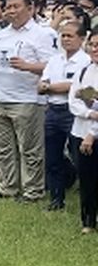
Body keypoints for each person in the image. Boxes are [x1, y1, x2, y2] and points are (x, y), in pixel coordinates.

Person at [0, 0, 57, 201]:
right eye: (8, 7)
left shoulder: (41, 34)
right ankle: (8, 186)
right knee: (5, 147)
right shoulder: (1, 34)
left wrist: (28, 66)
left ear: (31, 8)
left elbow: (52, 66)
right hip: (1, 96)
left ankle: (33, 190)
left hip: (27, 98)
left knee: (30, 148)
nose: (11, 11)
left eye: (16, 6)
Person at [39, 19, 86, 210]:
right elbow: (41, 86)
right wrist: (52, 88)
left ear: (82, 39)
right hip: (53, 111)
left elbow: (78, 89)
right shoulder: (54, 59)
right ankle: (56, 199)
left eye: (70, 36)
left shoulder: (86, 61)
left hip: (75, 112)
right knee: (53, 158)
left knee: (80, 156)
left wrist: (51, 87)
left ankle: (87, 198)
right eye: (63, 35)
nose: (65, 39)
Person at [67, 33, 98, 233]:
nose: (95, 49)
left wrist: (93, 133)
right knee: (86, 177)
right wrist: (89, 112)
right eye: (92, 45)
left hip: (92, 133)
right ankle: (88, 219)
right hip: (80, 129)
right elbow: (74, 99)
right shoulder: (84, 71)